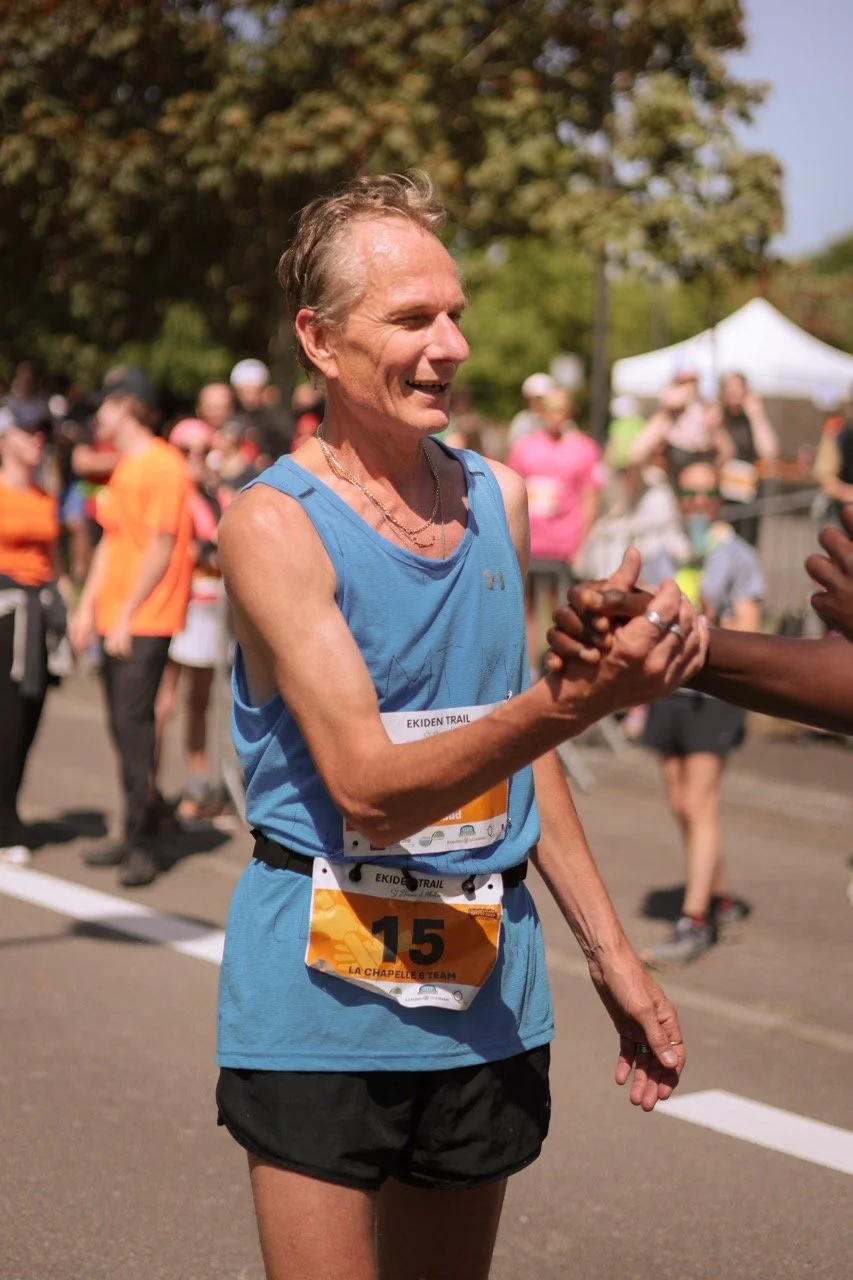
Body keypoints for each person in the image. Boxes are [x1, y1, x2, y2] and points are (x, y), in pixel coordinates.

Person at [214, 172, 705, 1280]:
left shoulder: (500, 498)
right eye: (411, 318)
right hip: (318, 997)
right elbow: (370, 789)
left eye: (455, 313)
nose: (452, 344)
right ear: (320, 339)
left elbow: (520, 750)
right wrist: (572, 698)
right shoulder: (274, 525)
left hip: (485, 985)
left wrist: (610, 951)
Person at [635, 458, 765, 967]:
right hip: (670, 686)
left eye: (706, 494)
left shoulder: (737, 556)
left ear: (719, 499)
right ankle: (721, 895)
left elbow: (750, 629)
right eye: (687, 494)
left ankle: (694, 920)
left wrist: (711, 612)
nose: (696, 503)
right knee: (680, 801)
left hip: (716, 695)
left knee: (700, 801)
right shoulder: (662, 554)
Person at [69, 368, 194, 888]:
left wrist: (123, 614)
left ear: (126, 407)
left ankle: (144, 841)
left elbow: (162, 546)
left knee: (136, 729)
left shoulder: (164, 464)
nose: (99, 414)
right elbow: (111, 542)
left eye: (106, 404)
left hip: (145, 619)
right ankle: (133, 827)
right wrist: (86, 608)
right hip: (116, 619)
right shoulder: (125, 467)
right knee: (123, 731)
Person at [154, 418, 231, 820]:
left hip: (208, 605)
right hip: (176, 603)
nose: (196, 460)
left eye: (203, 451)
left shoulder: (212, 493)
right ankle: (148, 784)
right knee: (162, 699)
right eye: (188, 451)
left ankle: (197, 783)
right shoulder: (174, 493)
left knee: (199, 700)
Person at [0, 401, 66, 865]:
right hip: (3, 612)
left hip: (37, 614)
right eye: (27, 432)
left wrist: (72, 608)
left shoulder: (45, 495)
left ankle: (9, 808)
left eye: (42, 433)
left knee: (28, 715)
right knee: (4, 720)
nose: (37, 440)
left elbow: (54, 562)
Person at [506, 385, 604, 668]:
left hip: (565, 546)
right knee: (525, 607)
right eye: (550, 409)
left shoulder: (584, 449)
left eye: (561, 409)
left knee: (562, 607)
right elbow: (511, 489)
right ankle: (527, 668)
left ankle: (559, 663)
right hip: (531, 541)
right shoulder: (524, 447)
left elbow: (591, 499)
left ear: (570, 412)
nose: (555, 416)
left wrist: (583, 544)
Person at [709, 372, 779, 547]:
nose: (733, 392)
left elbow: (769, 451)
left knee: (747, 543)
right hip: (723, 494)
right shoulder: (718, 418)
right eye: (728, 388)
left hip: (749, 494)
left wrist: (756, 415)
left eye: (737, 387)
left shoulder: (752, 418)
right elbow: (725, 453)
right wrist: (716, 429)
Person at [629, 366, 734, 478]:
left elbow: (728, 454)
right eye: (682, 383)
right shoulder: (666, 419)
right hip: (674, 486)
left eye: (691, 382)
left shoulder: (708, 413)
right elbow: (636, 454)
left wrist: (715, 430)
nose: (688, 388)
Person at [230, 358, 293, 464]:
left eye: (253, 391)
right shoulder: (234, 419)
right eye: (244, 392)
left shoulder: (277, 418)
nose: (249, 397)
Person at [506, 371, 554, 447]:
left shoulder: (563, 424)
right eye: (533, 400)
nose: (537, 404)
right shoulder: (521, 421)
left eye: (540, 400)